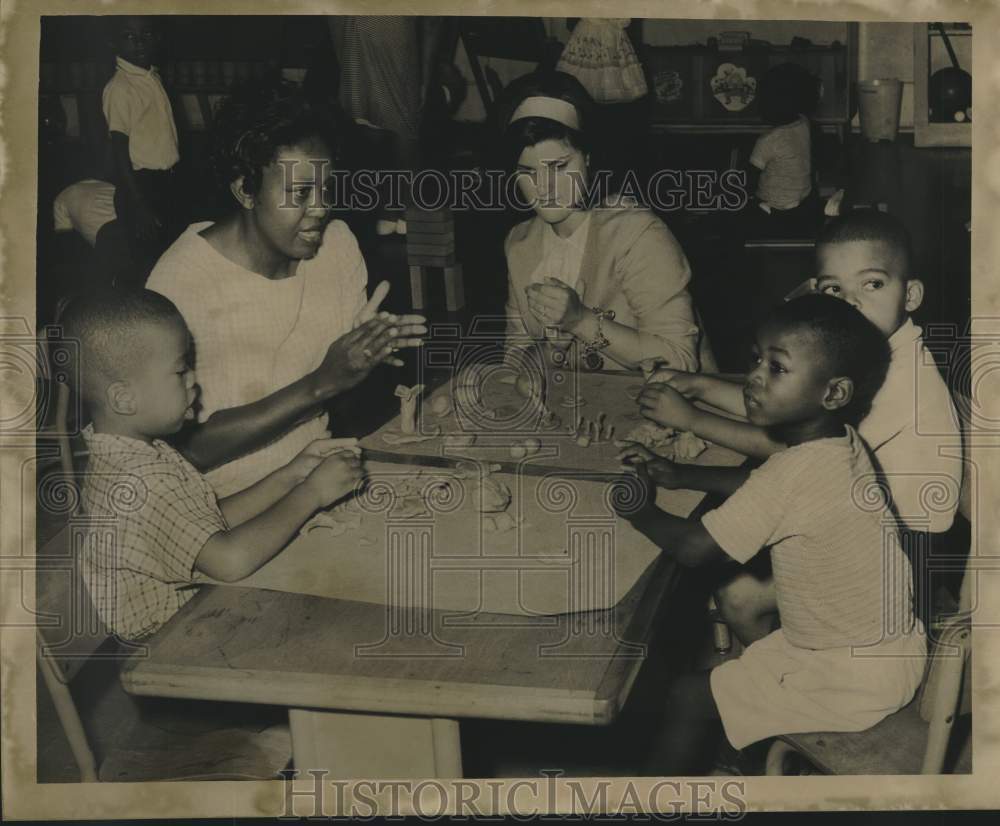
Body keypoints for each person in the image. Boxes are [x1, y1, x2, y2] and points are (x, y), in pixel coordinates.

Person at [615, 294, 926, 775]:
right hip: (884, 652)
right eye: (756, 359)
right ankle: (738, 752)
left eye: (777, 368)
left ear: (834, 393)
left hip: (849, 676)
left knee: (688, 696)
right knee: (730, 676)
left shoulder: (798, 471)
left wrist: (640, 511)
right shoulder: (837, 444)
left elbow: (697, 550)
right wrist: (680, 475)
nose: (755, 377)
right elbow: (767, 491)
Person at [642, 210, 962, 643]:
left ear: (911, 294)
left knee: (737, 593)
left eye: (872, 284)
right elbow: (788, 408)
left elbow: (790, 450)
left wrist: (693, 419)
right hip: (870, 528)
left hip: (903, 562)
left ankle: (791, 693)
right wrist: (701, 384)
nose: (850, 304)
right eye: (834, 289)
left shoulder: (901, 380)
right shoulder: (873, 353)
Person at [148, 78, 426, 497]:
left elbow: (336, 402)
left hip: (314, 478)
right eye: (299, 193)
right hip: (218, 506)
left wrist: (363, 357)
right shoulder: (183, 281)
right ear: (245, 190)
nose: (320, 208)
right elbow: (179, 453)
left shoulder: (337, 246)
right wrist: (324, 381)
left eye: (326, 189)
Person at [61, 289, 366, 641]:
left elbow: (208, 522)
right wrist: (312, 493)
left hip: (197, 614)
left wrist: (290, 476)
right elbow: (230, 560)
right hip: (170, 644)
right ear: (124, 398)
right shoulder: (141, 481)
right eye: (180, 370)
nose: (194, 379)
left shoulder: (134, 453)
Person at [500, 71, 714, 373]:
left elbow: (679, 361)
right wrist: (545, 353)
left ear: (587, 157)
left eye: (560, 167)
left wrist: (580, 321)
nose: (544, 187)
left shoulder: (637, 233)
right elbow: (515, 357)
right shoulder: (520, 243)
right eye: (527, 171)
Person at [101, 16, 182, 285]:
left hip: (166, 182)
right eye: (128, 36)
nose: (138, 43)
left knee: (169, 262)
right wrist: (139, 204)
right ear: (113, 42)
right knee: (146, 269)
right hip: (141, 187)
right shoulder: (121, 87)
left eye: (146, 34)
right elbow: (118, 151)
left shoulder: (150, 76)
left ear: (157, 39)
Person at [743, 62, 822, 236]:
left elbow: (748, 177)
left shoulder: (768, 140)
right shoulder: (804, 123)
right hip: (803, 202)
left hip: (773, 208)